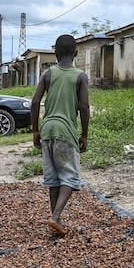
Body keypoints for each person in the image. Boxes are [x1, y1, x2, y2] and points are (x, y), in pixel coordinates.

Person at [30, 34, 90, 236]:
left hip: (47, 129)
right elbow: (83, 106)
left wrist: (36, 130)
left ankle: (56, 221)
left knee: (54, 178)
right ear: (76, 53)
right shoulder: (80, 76)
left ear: (55, 52)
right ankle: (55, 217)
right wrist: (84, 135)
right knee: (70, 176)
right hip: (65, 130)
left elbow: (35, 102)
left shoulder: (48, 74)